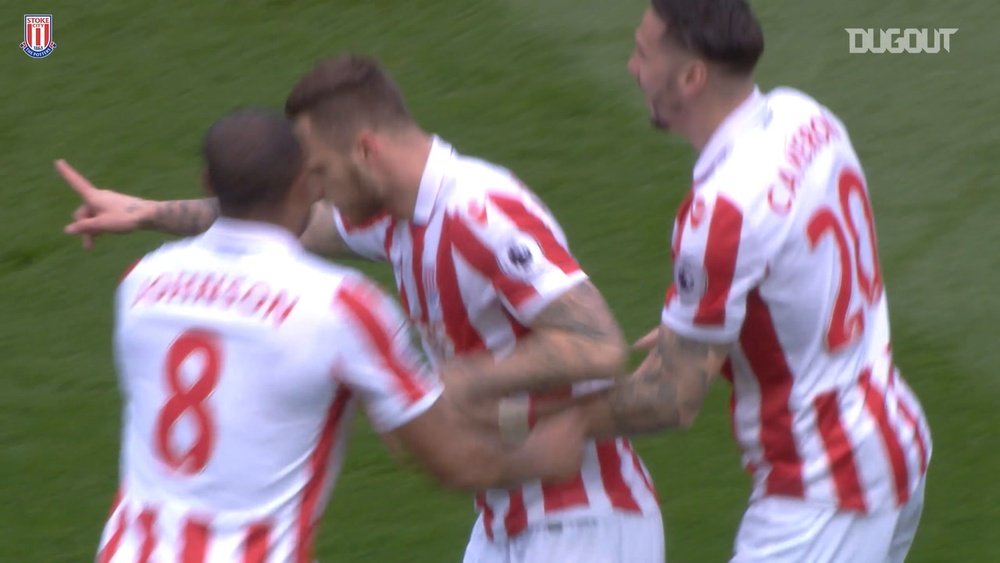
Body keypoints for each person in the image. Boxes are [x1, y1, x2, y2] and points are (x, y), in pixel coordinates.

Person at [60, 57, 664, 562]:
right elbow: (276, 219)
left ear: (367, 151)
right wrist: (147, 212)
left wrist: (455, 381)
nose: (313, 185)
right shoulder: (393, 220)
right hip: (506, 517)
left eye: (319, 168)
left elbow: (598, 344)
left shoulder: (480, 212)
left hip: (585, 518)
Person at [524, 1, 931, 562]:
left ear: (691, 77)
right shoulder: (804, 115)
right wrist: (696, 331)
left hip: (821, 492)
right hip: (895, 438)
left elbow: (672, 399)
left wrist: (545, 418)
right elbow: (798, 275)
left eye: (644, 54)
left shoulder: (721, 211)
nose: (631, 68)